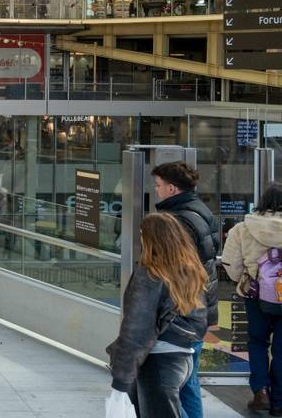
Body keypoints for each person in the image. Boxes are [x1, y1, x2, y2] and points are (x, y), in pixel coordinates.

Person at [107, 213, 207, 418]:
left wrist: (121, 378)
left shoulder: (150, 273)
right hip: (182, 356)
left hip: (158, 361)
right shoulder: (190, 270)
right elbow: (201, 316)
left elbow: (136, 328)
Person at [152, 161, 219, 418]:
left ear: (171, 188)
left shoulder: (178, 221)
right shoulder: (201, 211)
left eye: (158, 185)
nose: (156, 190)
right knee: (188, 381)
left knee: (169, 387)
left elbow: (175, 271)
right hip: (199, 310)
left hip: (182, 313)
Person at [221, 183, 282, 415]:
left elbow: (231, 263)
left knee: (257, 342)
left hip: (255, 295)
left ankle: (260, 392)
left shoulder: (244, 228)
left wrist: (246, 281)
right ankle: (279, 402)